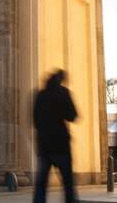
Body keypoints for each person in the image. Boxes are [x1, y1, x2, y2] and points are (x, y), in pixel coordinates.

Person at [32, 69, 79, 203]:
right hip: (61, 145)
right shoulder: (63, 93)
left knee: (41, 184)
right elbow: (72, 115)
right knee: (67, 183)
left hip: (44, 145)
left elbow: (35, 120)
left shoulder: (41, 95)